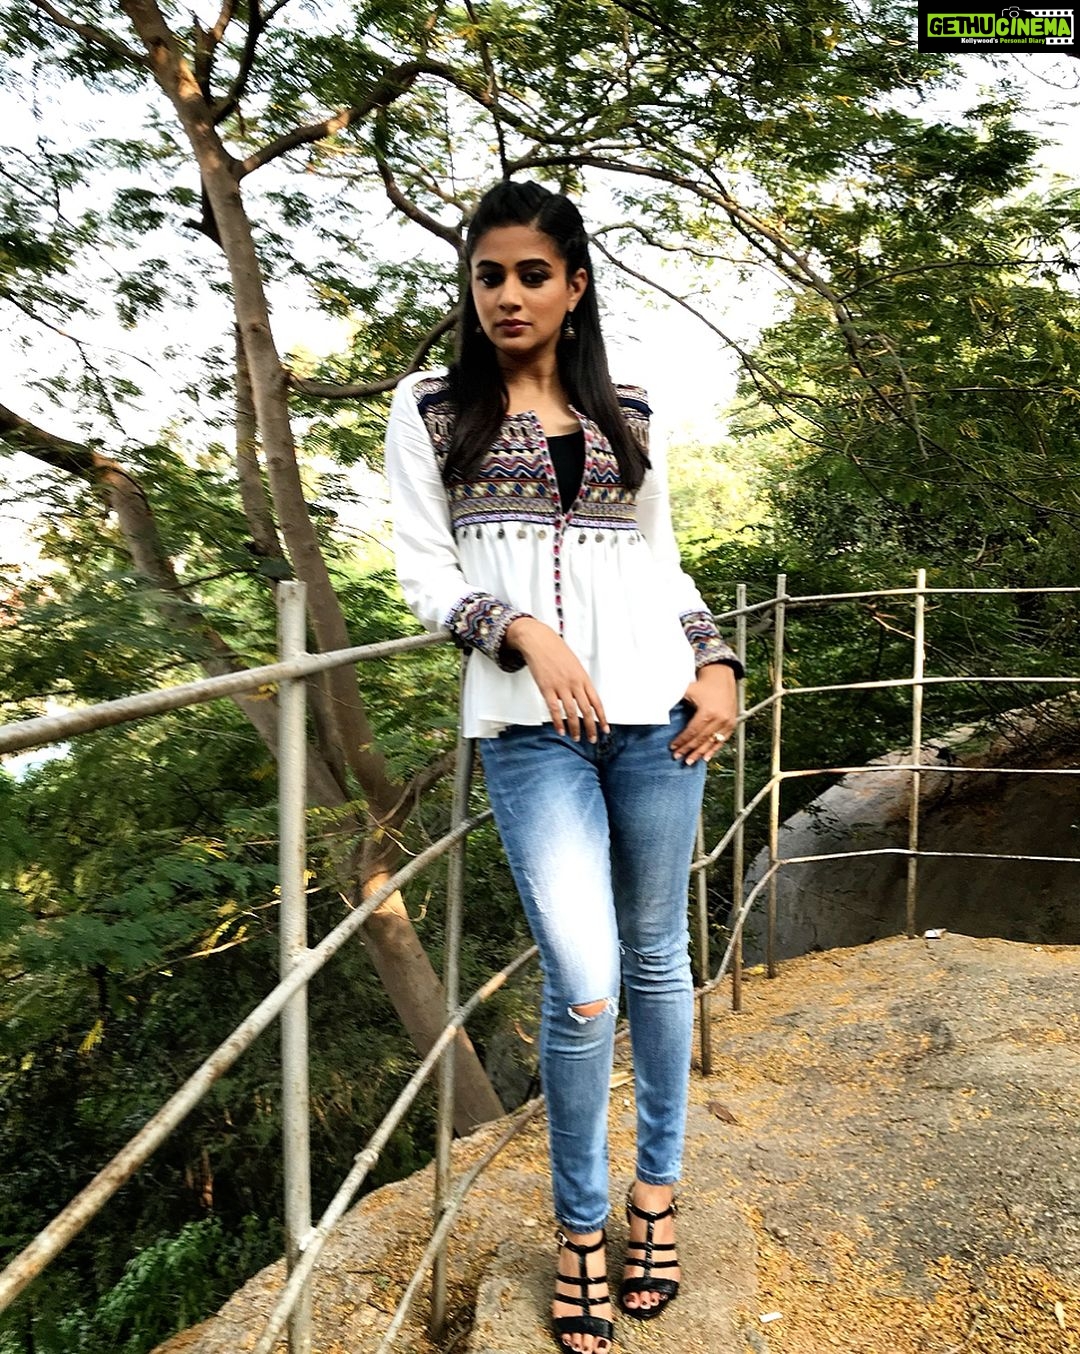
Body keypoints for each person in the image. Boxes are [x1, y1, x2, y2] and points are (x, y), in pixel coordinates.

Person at [384, 179, 743, 1354]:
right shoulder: (432, 408)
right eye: (489, 274)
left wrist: (720, 664)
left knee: (656, 954)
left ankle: (655, 1197)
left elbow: (666, 566)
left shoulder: (629, 410)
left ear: (574, 286)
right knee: (585, 978)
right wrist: (521, 631)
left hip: (659, 718)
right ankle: (580, 1224)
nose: (507, 294)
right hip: (529, 730)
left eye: (532, 273)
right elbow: (425, 571)